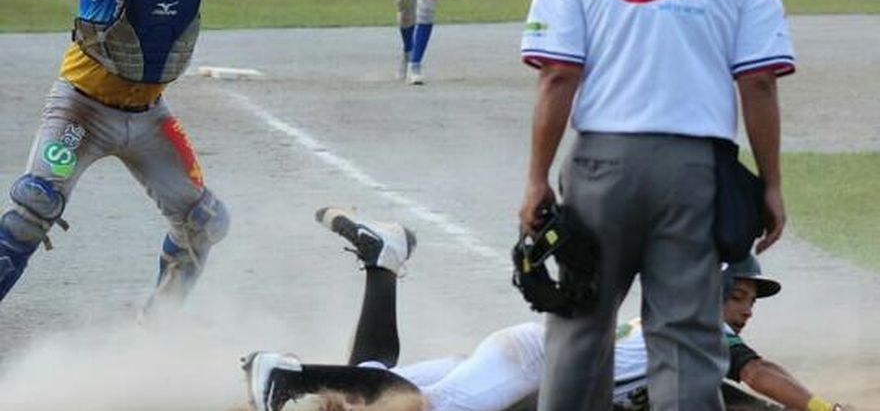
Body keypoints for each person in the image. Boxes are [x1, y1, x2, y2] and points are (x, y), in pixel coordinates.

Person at [517, 0, 796, 409]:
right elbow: (758, 81)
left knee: (581, 320)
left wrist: (537, 178)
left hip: (601, 165)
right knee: (685, 336)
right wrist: (770, 183)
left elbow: (558, 74)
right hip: (696, 171)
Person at [243, 211, 847, 411]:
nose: (746, 311)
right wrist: (824, 408)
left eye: (750, 301)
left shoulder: (687, 347)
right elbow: (756, 372)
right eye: (739, 295)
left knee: (376, 381)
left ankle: (384, 261)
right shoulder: (697, 329)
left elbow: (736, 397)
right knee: (423, 410)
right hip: (532, 360)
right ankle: (289, 375)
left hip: (531, 357)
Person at [0, 0, 257, 314]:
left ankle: (159, 323)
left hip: (149, 117)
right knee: (34, 207)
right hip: (81, 112)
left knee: (204, 221)